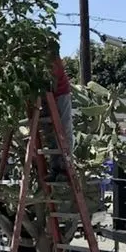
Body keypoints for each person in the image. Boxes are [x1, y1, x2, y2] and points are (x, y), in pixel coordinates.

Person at [48, 41, 74, 177]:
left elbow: (54, 78)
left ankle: (66, 164)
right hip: (48, 97)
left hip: (61, 93)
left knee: (64, 127)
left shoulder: (54, 59)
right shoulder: (40, 60)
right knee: (51, 132)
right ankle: (55, 167)